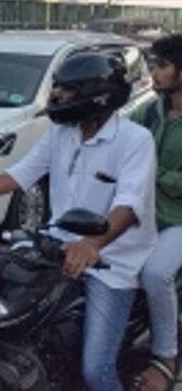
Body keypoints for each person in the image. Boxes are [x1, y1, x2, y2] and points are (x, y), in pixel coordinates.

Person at [0, 51, 157, 391]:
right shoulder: (61, 133)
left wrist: (92, 245)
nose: (57, 96)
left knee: (95, 371)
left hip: (110, 262)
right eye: (58, 88)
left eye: (66, 90)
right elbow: (20, 174)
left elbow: (129, 205)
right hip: (54, 245)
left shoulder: (135, 141)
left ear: (95, 94)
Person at [131, 34, 182, 391]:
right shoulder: (151, 108)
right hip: (142, 211)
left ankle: (166, 355)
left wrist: (152, 172)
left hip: (178, 220)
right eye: (154, 64)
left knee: (155, 273)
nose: (154, 72)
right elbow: (120, 136)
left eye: (162, 65)